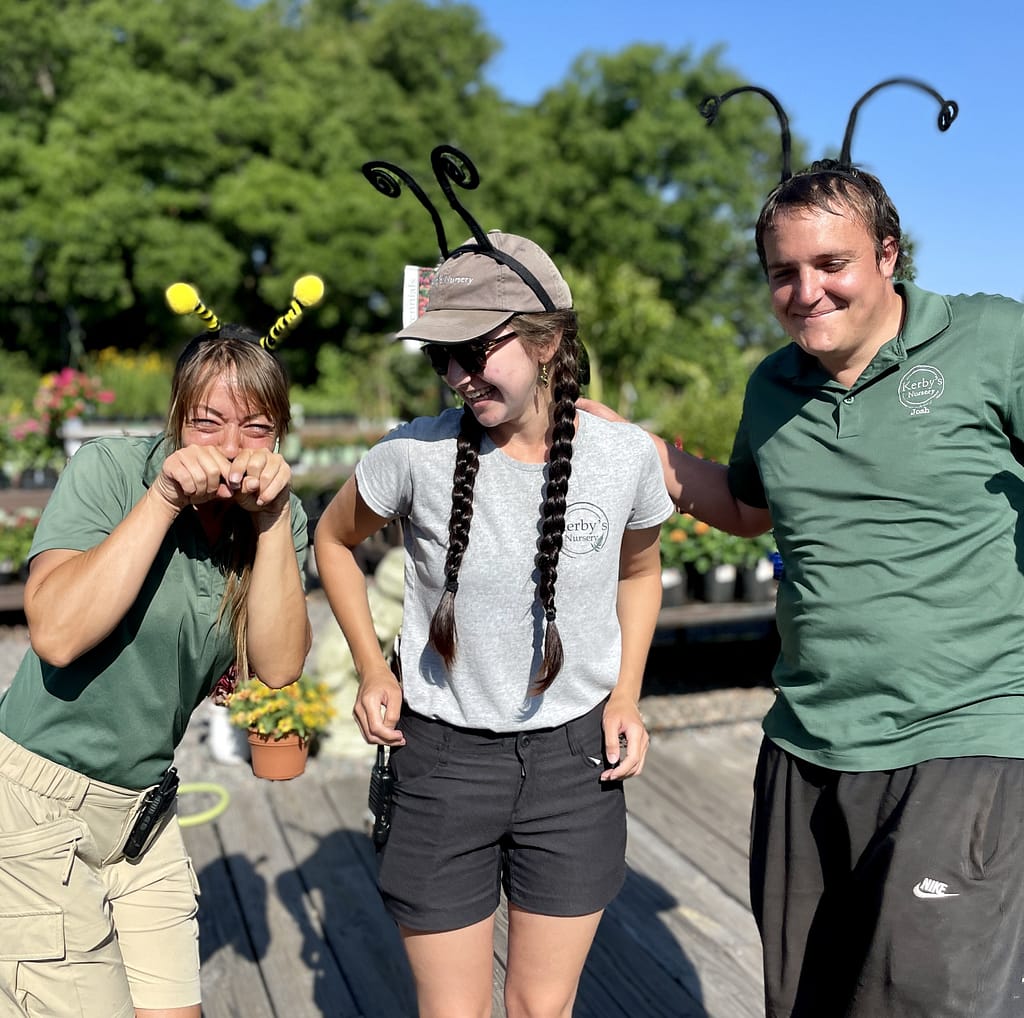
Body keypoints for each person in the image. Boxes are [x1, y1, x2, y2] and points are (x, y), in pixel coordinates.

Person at [586, 146, 1024, 1016]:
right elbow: (751, 509)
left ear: (888, 256)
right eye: (783, 273)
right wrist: (640, 447)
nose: (807, 291)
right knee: (809, 995)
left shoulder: (992, 339)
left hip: (968, 730)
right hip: (806, 742)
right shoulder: (772, 387)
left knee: (933, 994)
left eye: (833, 264)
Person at [314, 226, 673, 1018]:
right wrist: (376, 669)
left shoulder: (624, 458)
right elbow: (331, 541)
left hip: (576, 765)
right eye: (442, 357)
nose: (457, 375)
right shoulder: (412, 455)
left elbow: (640, 573)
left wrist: (626, 697)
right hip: (440, 762)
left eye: (475, 349)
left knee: (542, 1007)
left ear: (546, 342)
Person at [0, 288, 314, 1018]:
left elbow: (277, 667)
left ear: (280, 435)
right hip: (35, 807)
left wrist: (269, 522)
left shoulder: (275, 519)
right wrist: (165, 497)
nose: (231, 447)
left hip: (142, 817)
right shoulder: (113, 473)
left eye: (256, 428)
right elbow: (56, 633)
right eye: (207, 423)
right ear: (176, 420)